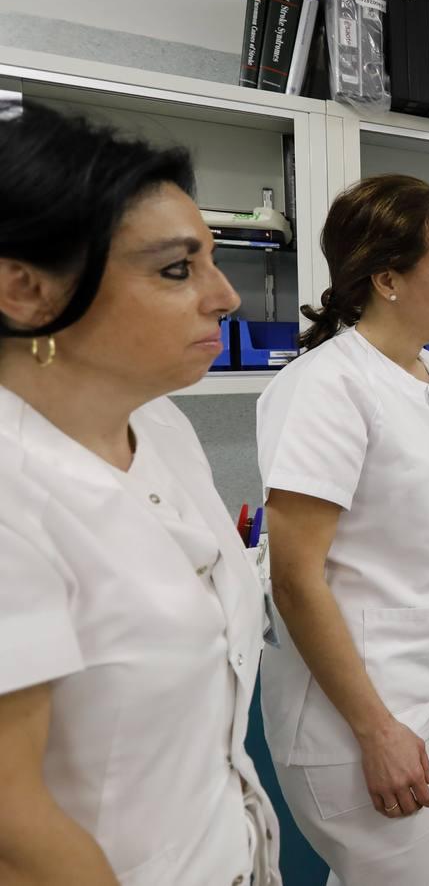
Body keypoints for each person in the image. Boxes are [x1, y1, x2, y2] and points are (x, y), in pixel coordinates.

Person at [0, 99, 281, 884]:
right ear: (25, 291)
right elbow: (13, 835)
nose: (224, 297)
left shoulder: (161, 429)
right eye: (175, 270)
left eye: (212, 262)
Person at [256, 174, 429, 885]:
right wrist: (374, 730)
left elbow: (421, 527)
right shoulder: (324, 389)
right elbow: (294, 577)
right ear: (388, 279)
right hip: (360, 718)